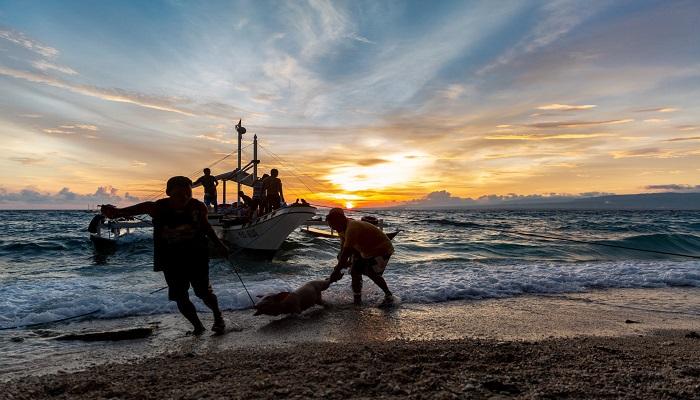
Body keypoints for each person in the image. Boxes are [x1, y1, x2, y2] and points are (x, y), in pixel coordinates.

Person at [101, 176, 228, 335]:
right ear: (168, 192)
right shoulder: (156, 207)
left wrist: (219, 244)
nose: (184, 198)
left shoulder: (198, 206)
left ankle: (218, 317)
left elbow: (206, 227)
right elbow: (120, 213)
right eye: (179, 194)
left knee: (203, 292)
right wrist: (111, 211)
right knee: (180, 296)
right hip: (170, 259)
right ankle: (198, 326)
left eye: (188, 193)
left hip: (196, 256)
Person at [327, 208, 394, 305]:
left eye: (334, 226)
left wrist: (336, 271)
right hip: (365, 250)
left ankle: (389, 295)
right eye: (331, 227)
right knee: (355, 271)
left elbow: (346, 253)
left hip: (382, 249)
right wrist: (340, 266)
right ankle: (357, 299)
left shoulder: (352, 227)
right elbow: (343, 250)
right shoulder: (341, 228)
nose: (333, 229)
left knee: (370, 272)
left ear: (341, 220)